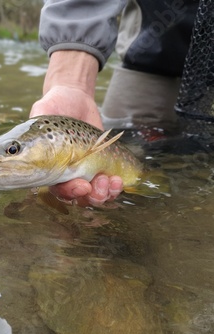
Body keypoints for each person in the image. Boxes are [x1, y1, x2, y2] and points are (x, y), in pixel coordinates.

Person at [30, 0, 200, 206]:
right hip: (149, 57)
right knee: (117, 207)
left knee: (192, 160)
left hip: (212, 69)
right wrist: (71, 83)